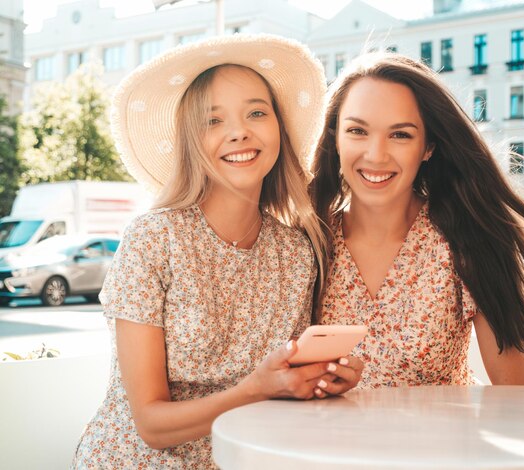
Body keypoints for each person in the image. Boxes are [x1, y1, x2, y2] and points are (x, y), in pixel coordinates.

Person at [73, 35, 361, 469]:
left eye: (256, 113)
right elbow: (151, 424)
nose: (238, 131)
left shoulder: (296, 252)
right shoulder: (152, 240)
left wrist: (317, 382)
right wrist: (258, 388)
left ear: (278, 130)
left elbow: (280, 388)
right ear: (191, 141)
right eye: (212, 120)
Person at [309, 53, 524, 389]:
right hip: (326, 439)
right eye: (357, 130)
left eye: (400, 135)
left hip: (446, 439)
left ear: (428, 147)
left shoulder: (468, 241)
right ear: (334, 137)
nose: (375, 154)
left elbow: (514, 399)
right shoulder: (306, 242)